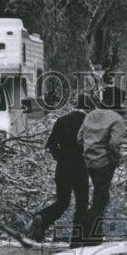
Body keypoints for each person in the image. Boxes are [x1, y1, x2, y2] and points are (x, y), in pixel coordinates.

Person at [27, 94, 93, 246]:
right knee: (81, 204)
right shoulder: (88, 123)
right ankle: (76, 240)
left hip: (63, 168)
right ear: (88, 108)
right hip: (80, 168)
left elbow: (50, 144)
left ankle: (43, 218)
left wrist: (61, 158)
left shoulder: (62, 120)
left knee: (62, 202)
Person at [76, 86, 126, 245]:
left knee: (99, 196)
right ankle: (88, 233)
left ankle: (93, 235)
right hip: (105, 163)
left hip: (89, 162)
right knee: (101, 200)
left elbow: (79, 138)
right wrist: (116, 159)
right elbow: (114, 144)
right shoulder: (117, 119)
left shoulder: (90, 115)